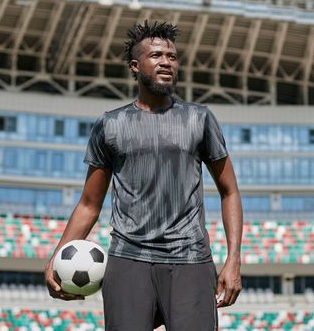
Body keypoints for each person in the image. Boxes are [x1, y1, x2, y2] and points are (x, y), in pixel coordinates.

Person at [45, 20, 243, 330]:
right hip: (128, 261)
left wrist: (233, 260)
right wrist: (58, 256)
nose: (166, 61)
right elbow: (88, 203)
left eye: (172, 56)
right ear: (135, 66)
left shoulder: (200, 119)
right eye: (156, 55)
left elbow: (229, 191)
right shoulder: (110, 125)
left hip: (191, 260)